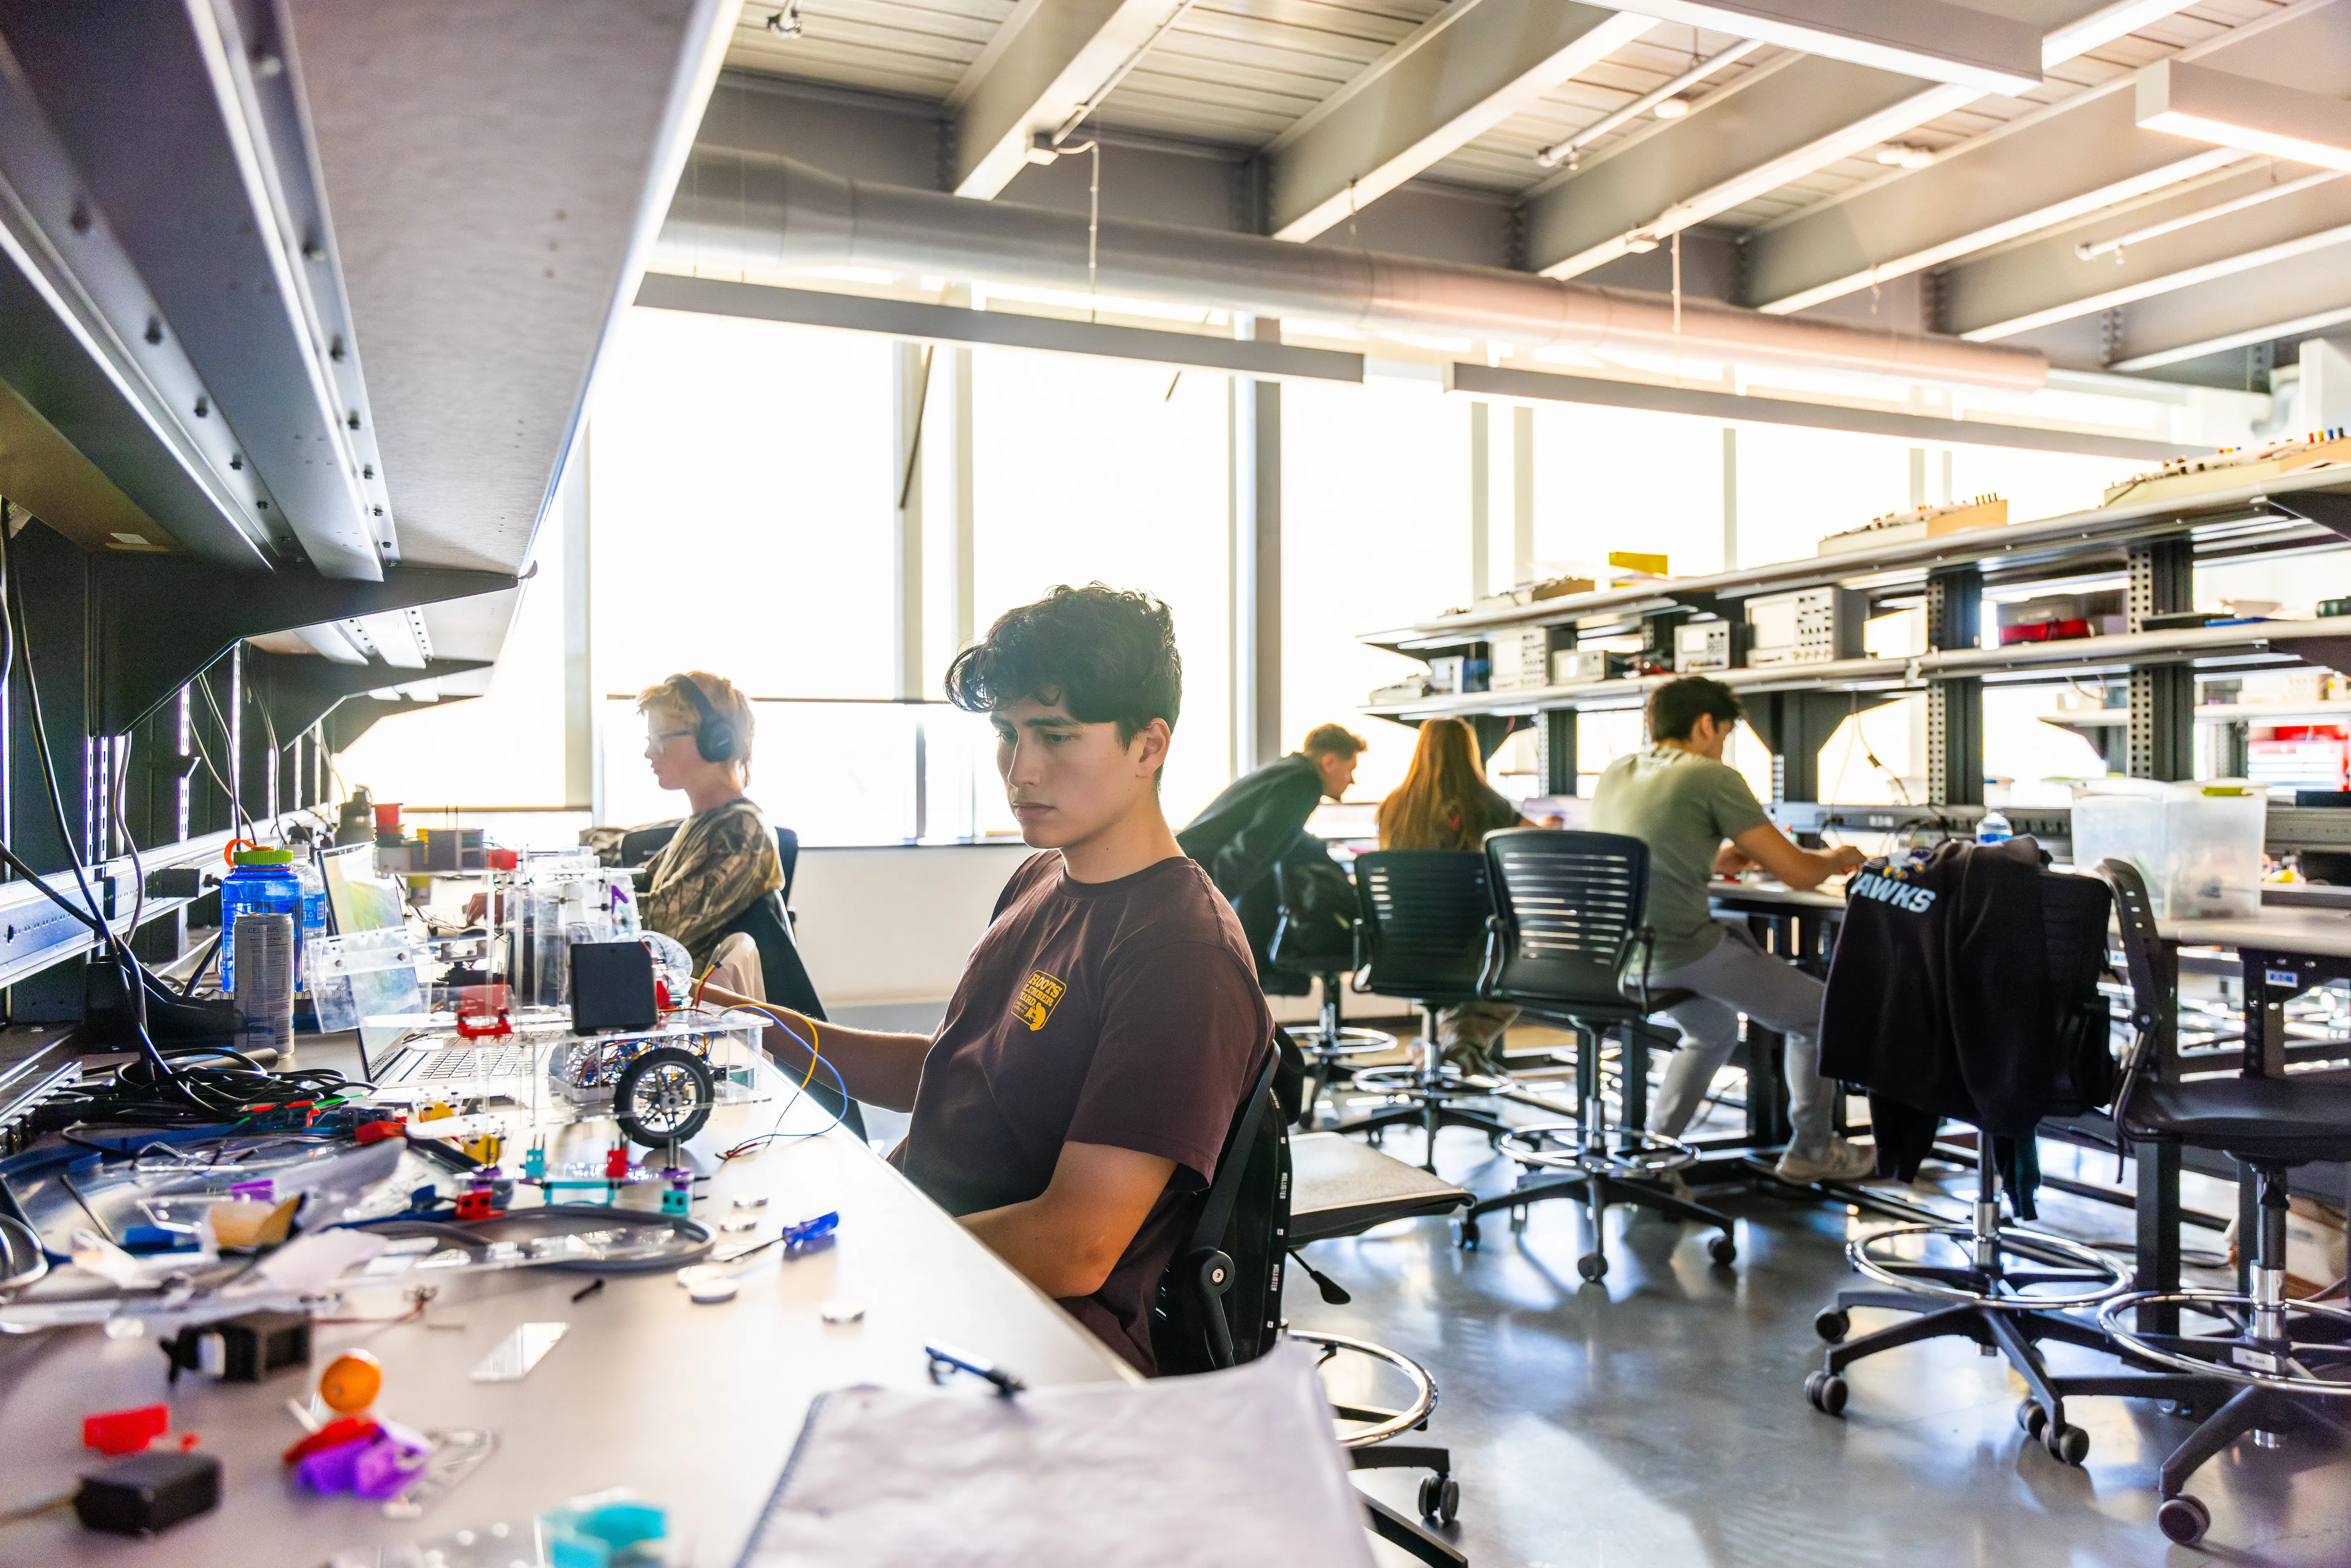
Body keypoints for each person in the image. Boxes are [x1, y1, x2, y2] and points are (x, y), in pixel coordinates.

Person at [705, 585, 1269, 1375]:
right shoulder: (1041, 879)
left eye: (1056, 735)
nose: (1021, 769)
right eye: (1007, 733)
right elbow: (956, 1070)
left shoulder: (1180, 953)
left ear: (1149, 746)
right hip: (931, 1270)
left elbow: (1076, 1245)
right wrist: (750, 1026)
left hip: (1023, 1337)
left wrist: (866, 1244)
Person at [1588, 675, 1875, 1184]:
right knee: (1822, 1014)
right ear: (1706, 725)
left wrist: (1721, 859)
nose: (1722, 747)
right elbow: (1799, 873)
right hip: (1682, 949)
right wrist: (1839, 857)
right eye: (1724, 735)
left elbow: (1648, 853)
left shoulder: (1618, 771)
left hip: (1622, 954)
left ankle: (1656, 1158)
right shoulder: (1710, 776)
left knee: (1713, 1028)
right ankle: (1811, 1149)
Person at [1375, 716, 1530, 1076]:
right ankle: (1461, 1039)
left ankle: (1437, 1048)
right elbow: (1532, 841)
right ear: (1470, 753)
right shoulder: (1489, 805)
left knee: (1449, 974)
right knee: (1525, 963)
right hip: (1472, 945)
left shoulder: (1393, 807)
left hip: (1403, 945)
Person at [1176, 723, 1365, 983]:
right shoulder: (1304, 782)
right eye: (1350, 769)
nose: (1352, 780)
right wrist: (1208, 906)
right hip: (1192, 883)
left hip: (1183, 871)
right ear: (1329, 762)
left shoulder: (1286, 771)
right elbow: (1251, 850)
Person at [630, 672, 786, 971]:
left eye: (661, 738)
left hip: (694, 998)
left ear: (715, 741)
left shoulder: (742, 833)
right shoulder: (703, 823)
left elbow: (660, 927)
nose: (650, 752)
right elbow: (640, 879)